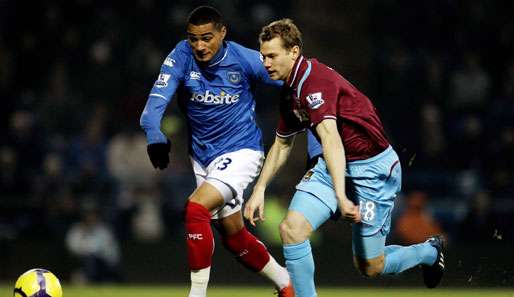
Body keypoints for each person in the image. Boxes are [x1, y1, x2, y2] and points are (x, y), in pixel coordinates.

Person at [244, 19, 446, 297]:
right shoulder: (291, 91)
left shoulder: (314, 82)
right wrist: (260, 188)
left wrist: (341, 195)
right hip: (331, 168)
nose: (265, 63)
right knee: (292, 229)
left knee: (370, 266)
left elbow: (331, 140)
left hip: (372, 172)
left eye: (272, 55)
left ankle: (428, 251)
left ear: (294, 51)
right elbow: (282, 144)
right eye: (263, 56)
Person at [139, 6, 294, 297]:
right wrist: (155, 133)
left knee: (196, 209)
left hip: (242, 150)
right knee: (233, 237)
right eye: (193, 38)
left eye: (206, 38)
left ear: (222, 33)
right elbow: (153, 105)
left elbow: (292, 76)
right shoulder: (181, 57)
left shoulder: (245, 59)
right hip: (202, 157)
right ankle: (287, 285)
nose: (199, 45)